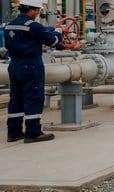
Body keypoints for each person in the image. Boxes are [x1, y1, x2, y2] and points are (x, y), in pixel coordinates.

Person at [4, 0, 62, 143]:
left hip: (14, 65)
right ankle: (33, 132)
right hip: (31, 66)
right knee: (33, 98)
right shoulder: (33, 26)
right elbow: (53, 41)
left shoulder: (9, 25)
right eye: (37, 11)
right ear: (32, 10)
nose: (37, 14)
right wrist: (58, 32)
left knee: (16, 99)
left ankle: (14, 132)